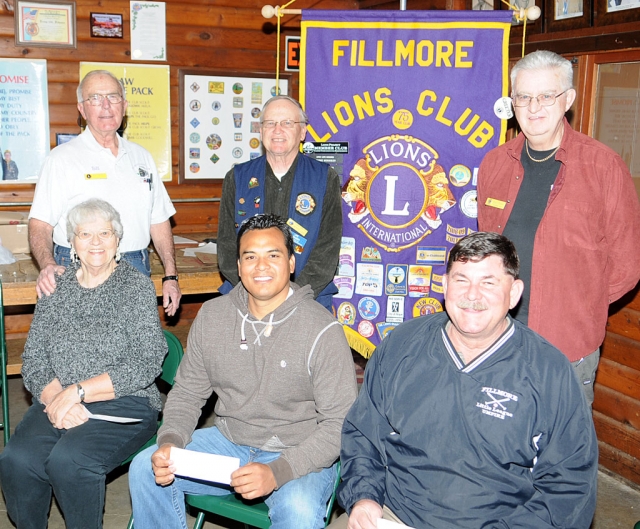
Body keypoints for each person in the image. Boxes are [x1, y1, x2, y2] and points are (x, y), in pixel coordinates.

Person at [331, 232, 598, 529]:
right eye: (461, 280)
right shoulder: (402, 346)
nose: (472, 295)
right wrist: (364, 497)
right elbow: (362, 434)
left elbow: (569, 486)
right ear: (444, 286)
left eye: (488, 282)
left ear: (514, 293)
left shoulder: (549, 371)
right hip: (392, 515)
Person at [129, 214, 357, 529]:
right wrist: (171, 439)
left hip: (297, 452)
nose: (261, 266)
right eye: (250, 256)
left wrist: (279, 471)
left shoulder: (322, 330)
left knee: (300, 512)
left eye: (273, 255)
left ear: (291, 263)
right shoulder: (213, 316)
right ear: (239, 266)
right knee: (145, 468)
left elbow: (339, 426)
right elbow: (187, 392)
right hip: (229, 442)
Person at [477, 50, 640, 404]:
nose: (534, 107)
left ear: (568, 99)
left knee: (562, 453)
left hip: (566, 346)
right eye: (523, 96)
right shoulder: (494, 164)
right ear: (512, 102)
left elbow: (627, 265)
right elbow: (487, 250)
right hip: (497, 338)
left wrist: (579, 304)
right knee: (497, 445)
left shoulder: (604, 167)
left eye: (547, 95)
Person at [0, 198, 167, 529]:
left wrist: (77, 392)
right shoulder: (56, 286)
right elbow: (33, 356)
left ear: (117, 240)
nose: (95, 242)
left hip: (125, 402)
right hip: (59, 397)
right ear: (72, 243)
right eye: (85, 234)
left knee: (69, 462)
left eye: (105, 233)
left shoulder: (134, 286)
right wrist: (54, 397)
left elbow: (148, 358)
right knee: (16, 460)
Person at [28, 69, 181, 315]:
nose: (106, 105)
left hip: (134, 266)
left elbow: (159, 221)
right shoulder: (61, 159)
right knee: (81, 348)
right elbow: (39, 224)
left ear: (125, 105)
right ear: (82, 109)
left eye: (113, 97)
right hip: (79, 268)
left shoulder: (142, 158)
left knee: (134, 348)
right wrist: (47, 265)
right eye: (96, 98)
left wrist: (170, 276)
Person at [217, 95, 342, 310]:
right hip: (246, 298)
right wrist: (256, 293)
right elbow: (227, 246)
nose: (277, 130)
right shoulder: (237, 177)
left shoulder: (325, 178)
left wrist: (291, 297)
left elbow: (327, 250)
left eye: (287, 123)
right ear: (261, 130)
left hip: (307, 298)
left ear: (302, 132)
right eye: (270, 123)